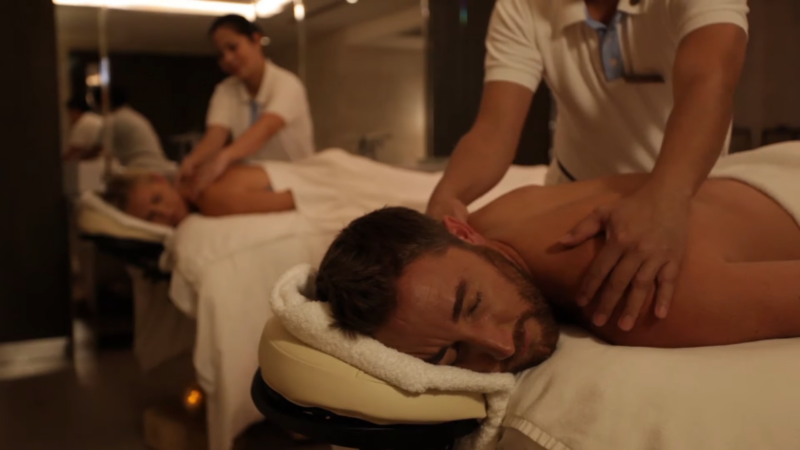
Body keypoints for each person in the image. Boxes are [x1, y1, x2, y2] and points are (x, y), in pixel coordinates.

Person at [313, 143, 800, 374]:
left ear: (463, 232)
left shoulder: (630, 289)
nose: (498, 349)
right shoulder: (495, 219)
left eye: (475, 304)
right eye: (451, 356)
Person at [425, 0, 749, 331]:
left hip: (682, 190)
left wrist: (666, 200)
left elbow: (710, 80)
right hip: (573, 194)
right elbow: (494, 128)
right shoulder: (522, 6)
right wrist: (446, 197)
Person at [179, 14, 314, 200]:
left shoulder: (287, 84)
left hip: (294, 177)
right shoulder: (225, 90)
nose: (227, 59)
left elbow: (266, 128)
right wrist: (192, 161)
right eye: (220, 54)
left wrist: (223, 157)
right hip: (254, 178)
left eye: (233, 47)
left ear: (256, 39)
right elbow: (215, 135)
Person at [102, 164, 294, 227]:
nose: (164, 212)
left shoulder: (209, 198)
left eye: (157, 199)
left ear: (159, 179)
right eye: (151, 217)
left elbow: (296, 199)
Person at [100, 87, 172, 170]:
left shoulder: (113, 119)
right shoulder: (132, 115)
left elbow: (102, 150)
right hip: (159, 166)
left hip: (142, 168)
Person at [63, 96, 103, 161]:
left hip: (96, 162)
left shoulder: (82, 122)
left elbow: (74, 149)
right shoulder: (95, 118)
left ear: (75, 111)